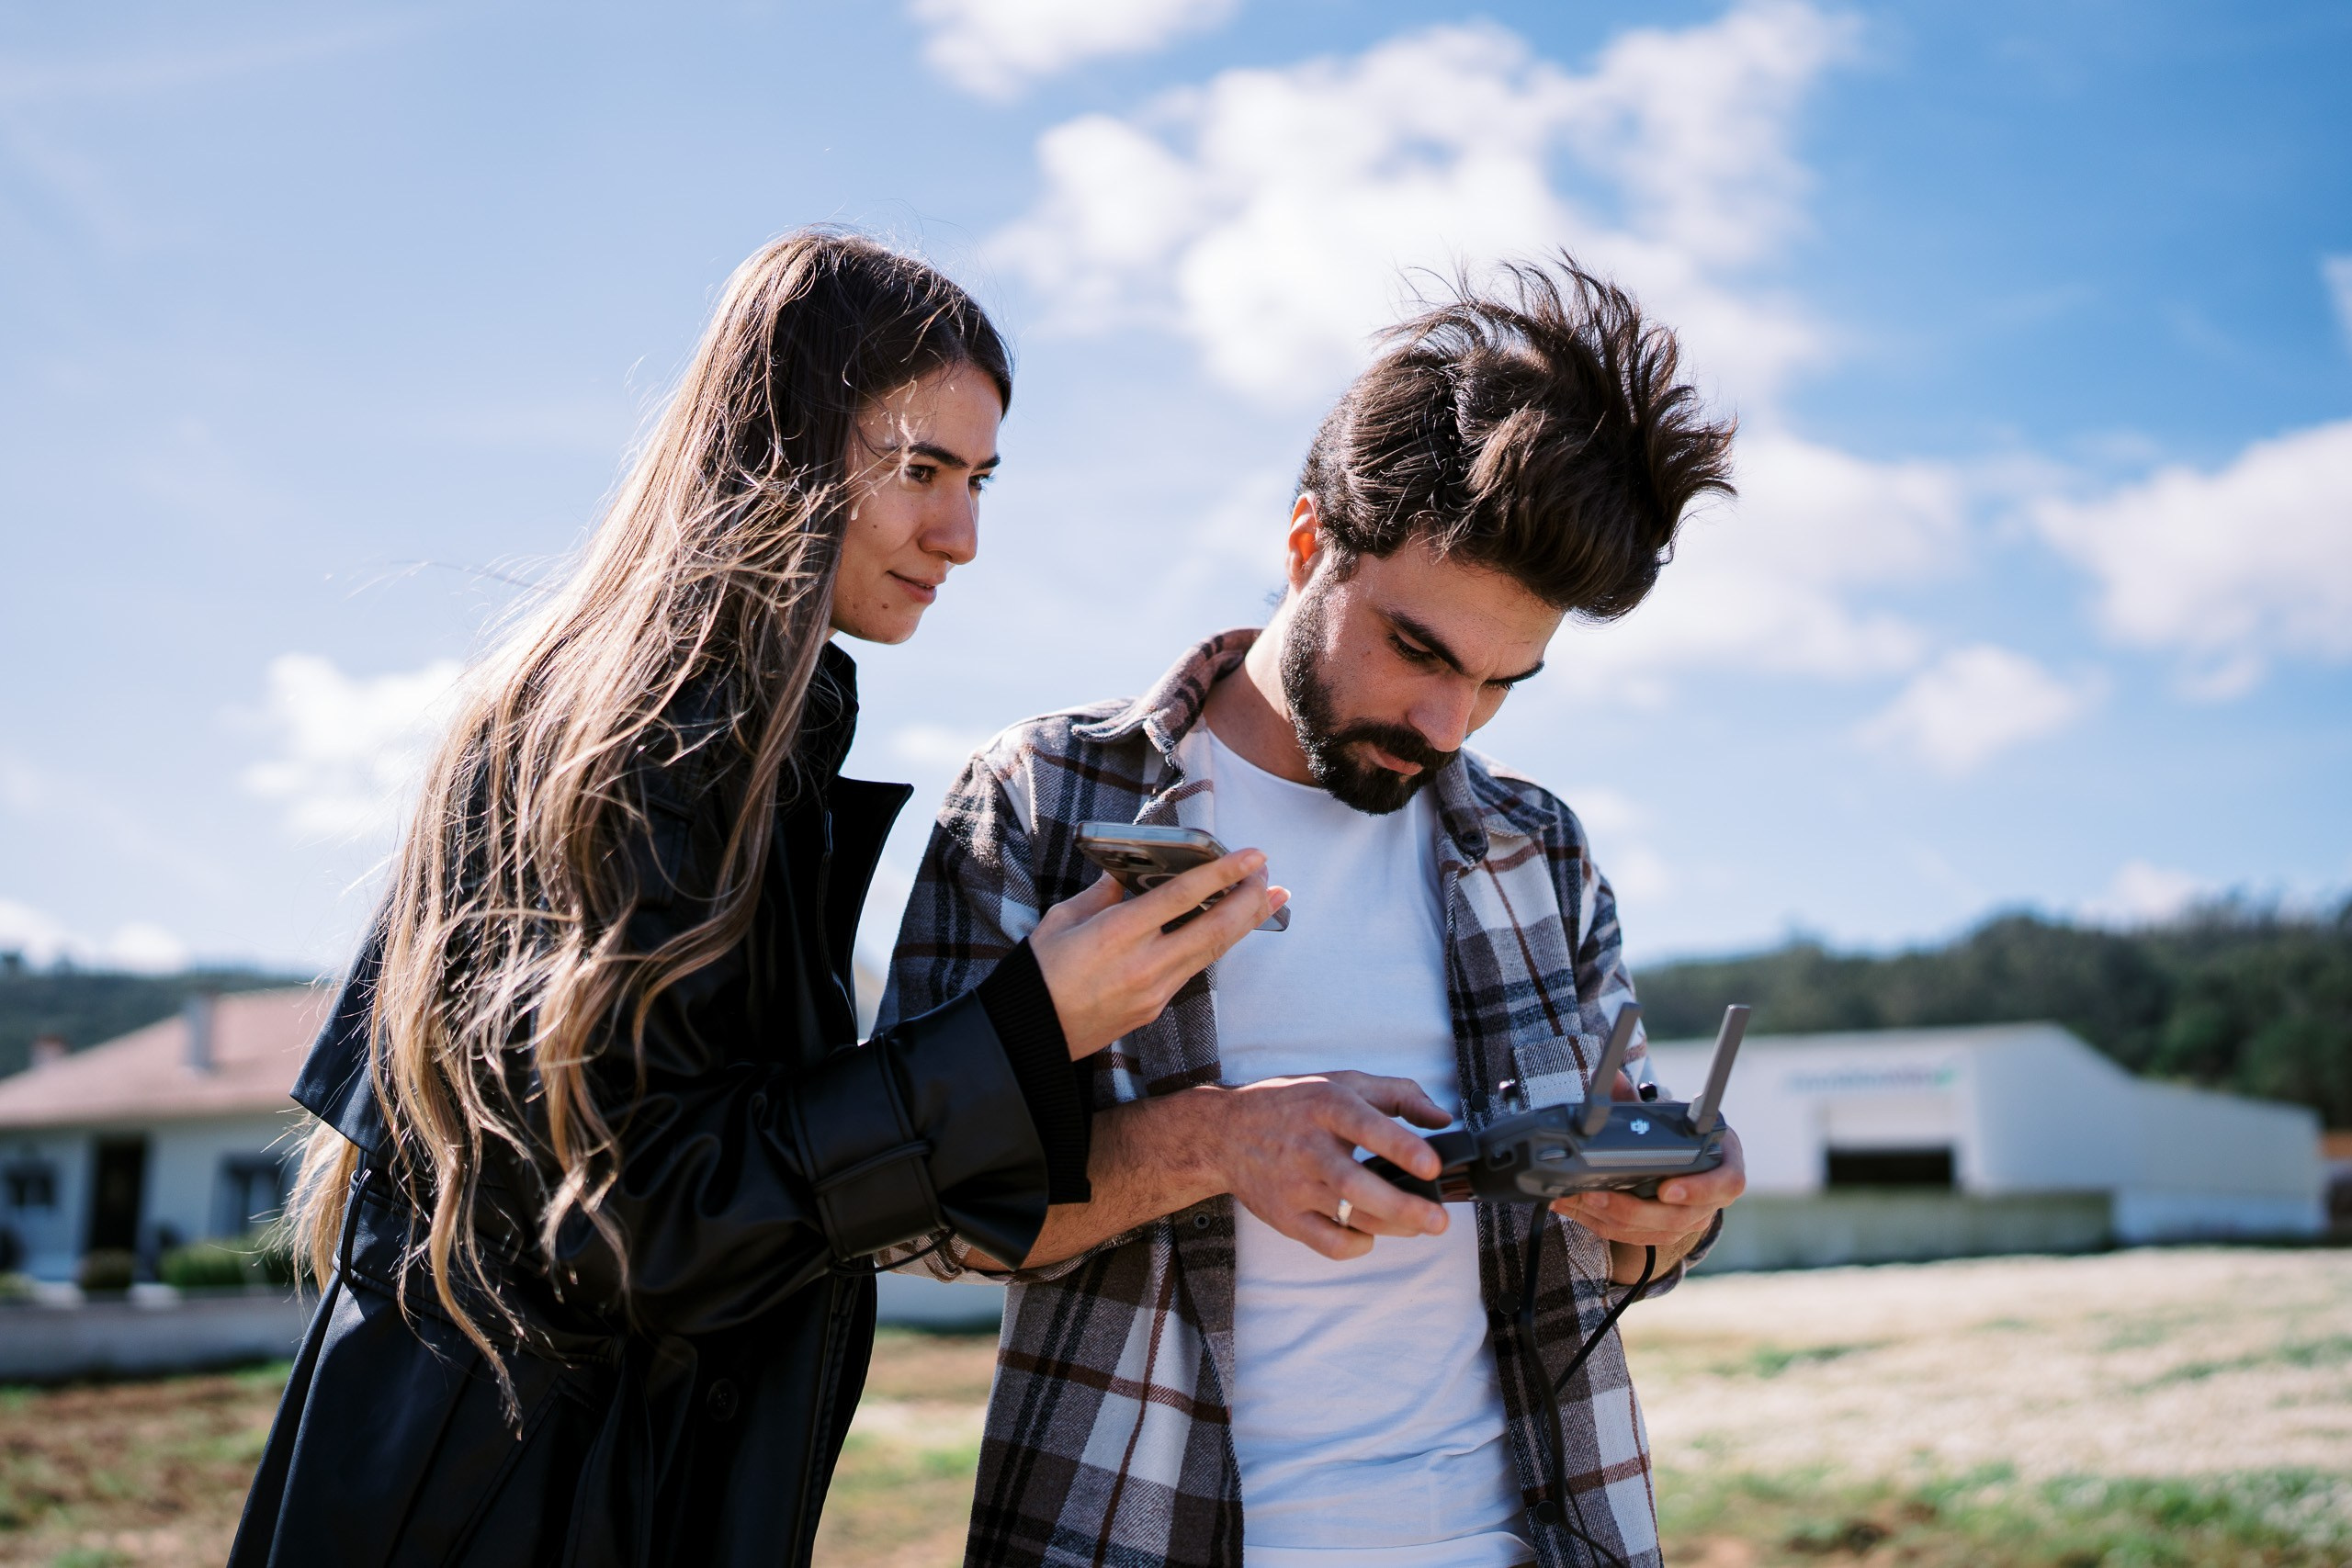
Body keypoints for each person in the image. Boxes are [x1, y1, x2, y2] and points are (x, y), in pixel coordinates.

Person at [228, 231, 1279, 1568]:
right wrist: (1026, 1025)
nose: (961, 536)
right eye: (920, 471)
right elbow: (634, 1220)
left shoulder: (745, 738)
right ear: (785, 446)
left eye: (978, 482)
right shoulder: (631, 740)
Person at [880, 258, 1745, 1568]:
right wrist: (1217, 1143)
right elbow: (917, 1209)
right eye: (1419, 650)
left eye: (1503, 683)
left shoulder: (1540, 849)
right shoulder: (1046, 796)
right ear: (1306, 544)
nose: (1448, 725)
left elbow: (1623, 1256)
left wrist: (1665, 1217)